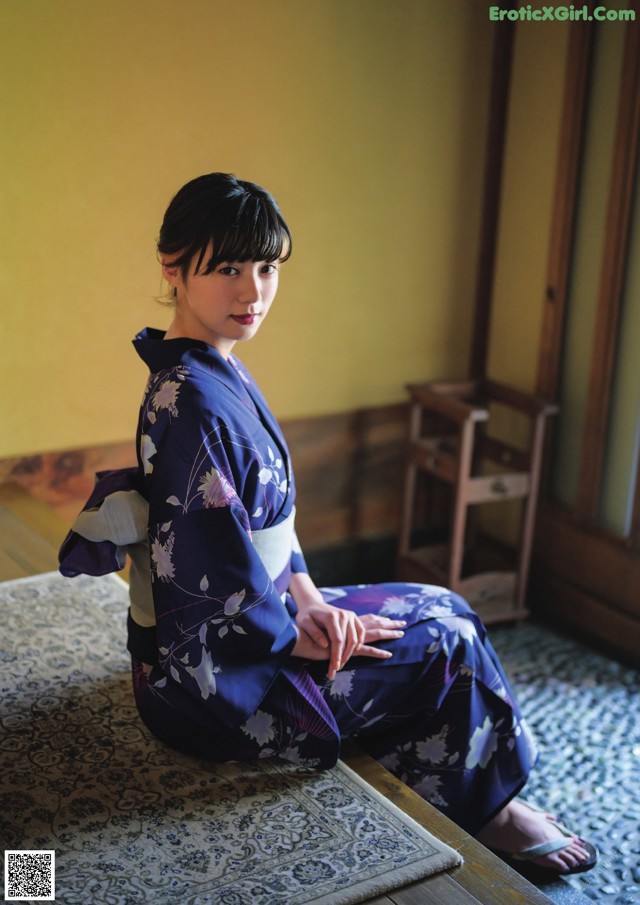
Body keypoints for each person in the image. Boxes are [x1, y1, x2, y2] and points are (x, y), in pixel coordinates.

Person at [59, 172, 596, 878]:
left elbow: (269, 518)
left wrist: (311, 598)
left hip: (261, 626)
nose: (253, 290)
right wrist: (303, 644)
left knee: (447, 608)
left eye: (267, 267)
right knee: (450, 644)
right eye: (227, 267)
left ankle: (465, 788)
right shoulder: (194, 402)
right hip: (217, 684)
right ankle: (488, 810)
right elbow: (212, 585)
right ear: (173, 268)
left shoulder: (210, 370)